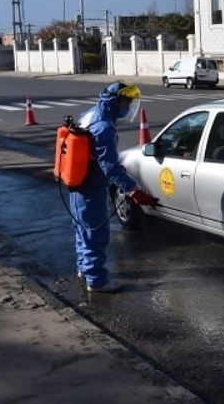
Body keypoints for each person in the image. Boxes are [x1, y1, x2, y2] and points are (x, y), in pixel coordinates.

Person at [70, 82, 158, 292]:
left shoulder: (91, 113)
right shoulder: (104, 127)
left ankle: (84, 268)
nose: (128, 107)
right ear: (115, 100)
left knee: (82, 229)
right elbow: (109, 166)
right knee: (95, 232)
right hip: (90, 185)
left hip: (77, 182)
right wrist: (133, 189)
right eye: (126, 102)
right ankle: (97, 281)